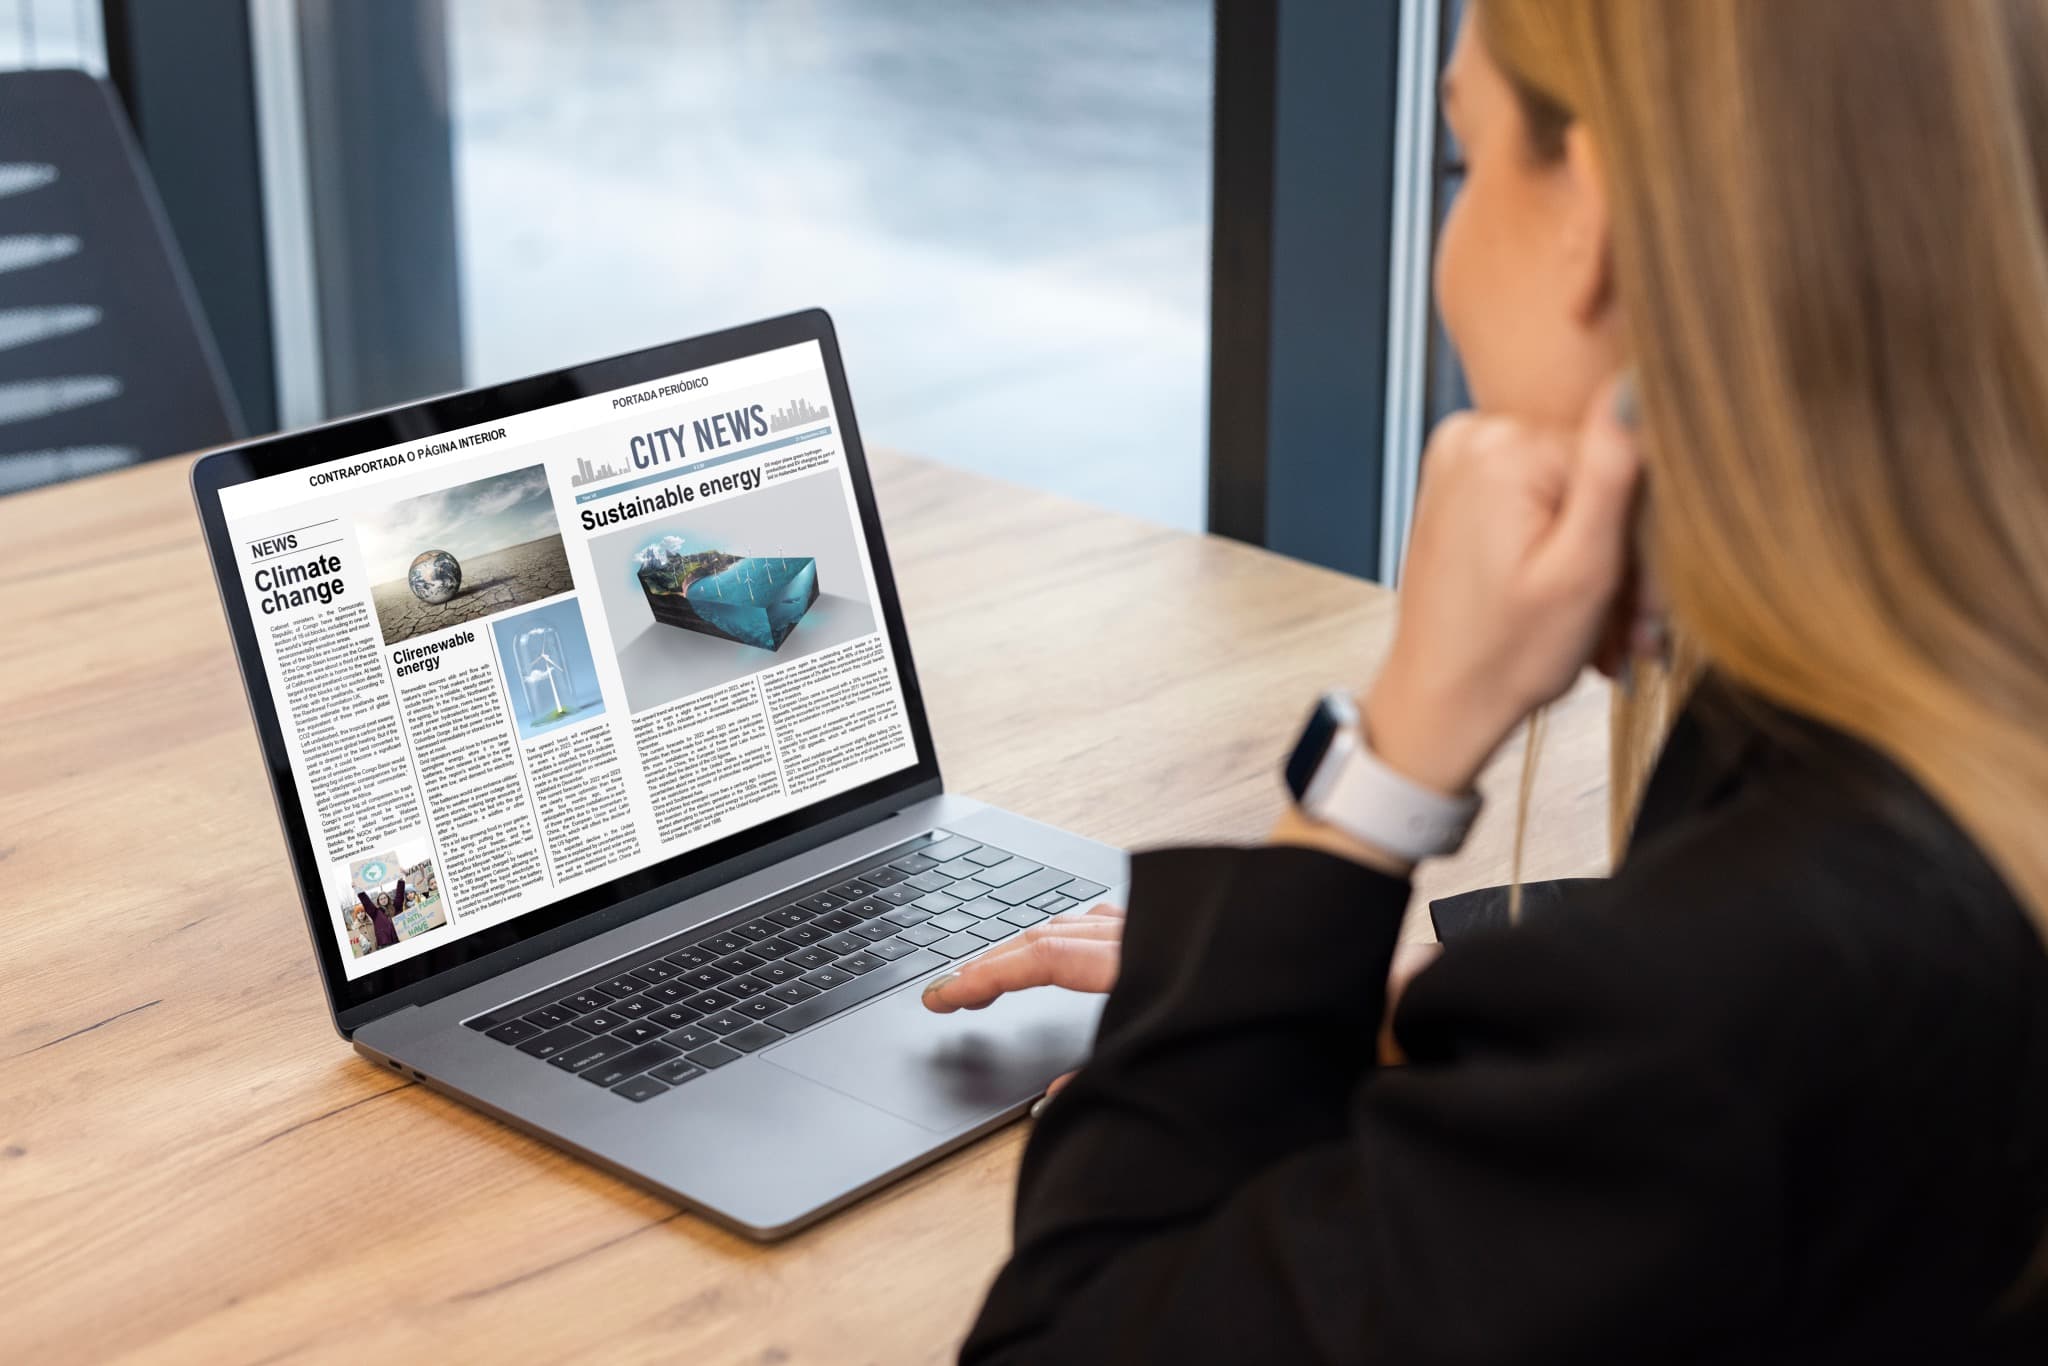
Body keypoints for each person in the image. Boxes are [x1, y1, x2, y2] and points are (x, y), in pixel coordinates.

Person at [924, 2, 2048, 1360]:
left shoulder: (1735, 1014)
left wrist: (1383, 779)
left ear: (1595, 223)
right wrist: (1440, 990)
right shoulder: (1945, 772)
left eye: (1464, 165)